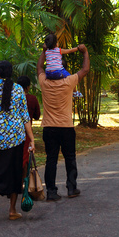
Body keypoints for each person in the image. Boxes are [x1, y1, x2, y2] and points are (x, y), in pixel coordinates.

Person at [0, 60, 35, 224]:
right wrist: (31, 139)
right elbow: (25, 118)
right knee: (15, 173)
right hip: (16, 138)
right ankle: (12, 210)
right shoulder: (18, 89)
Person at [37, 43, 90, 200]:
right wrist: (85, 52)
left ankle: (51, 192)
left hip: (49, 127)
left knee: (51, 159)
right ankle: (72, 188)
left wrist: (45, 51)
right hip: (66, 127)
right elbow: (85, 70)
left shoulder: (44, 82)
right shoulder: (69, 82)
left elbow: (39, 68)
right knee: (70, 157)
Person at [18, 74, 41, 171]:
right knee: (25, 159)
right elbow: (37, 116)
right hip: (27, 132)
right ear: (27, 87)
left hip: (13, 132)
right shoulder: (32, 99)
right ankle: (23, 181)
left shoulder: (12, 98)